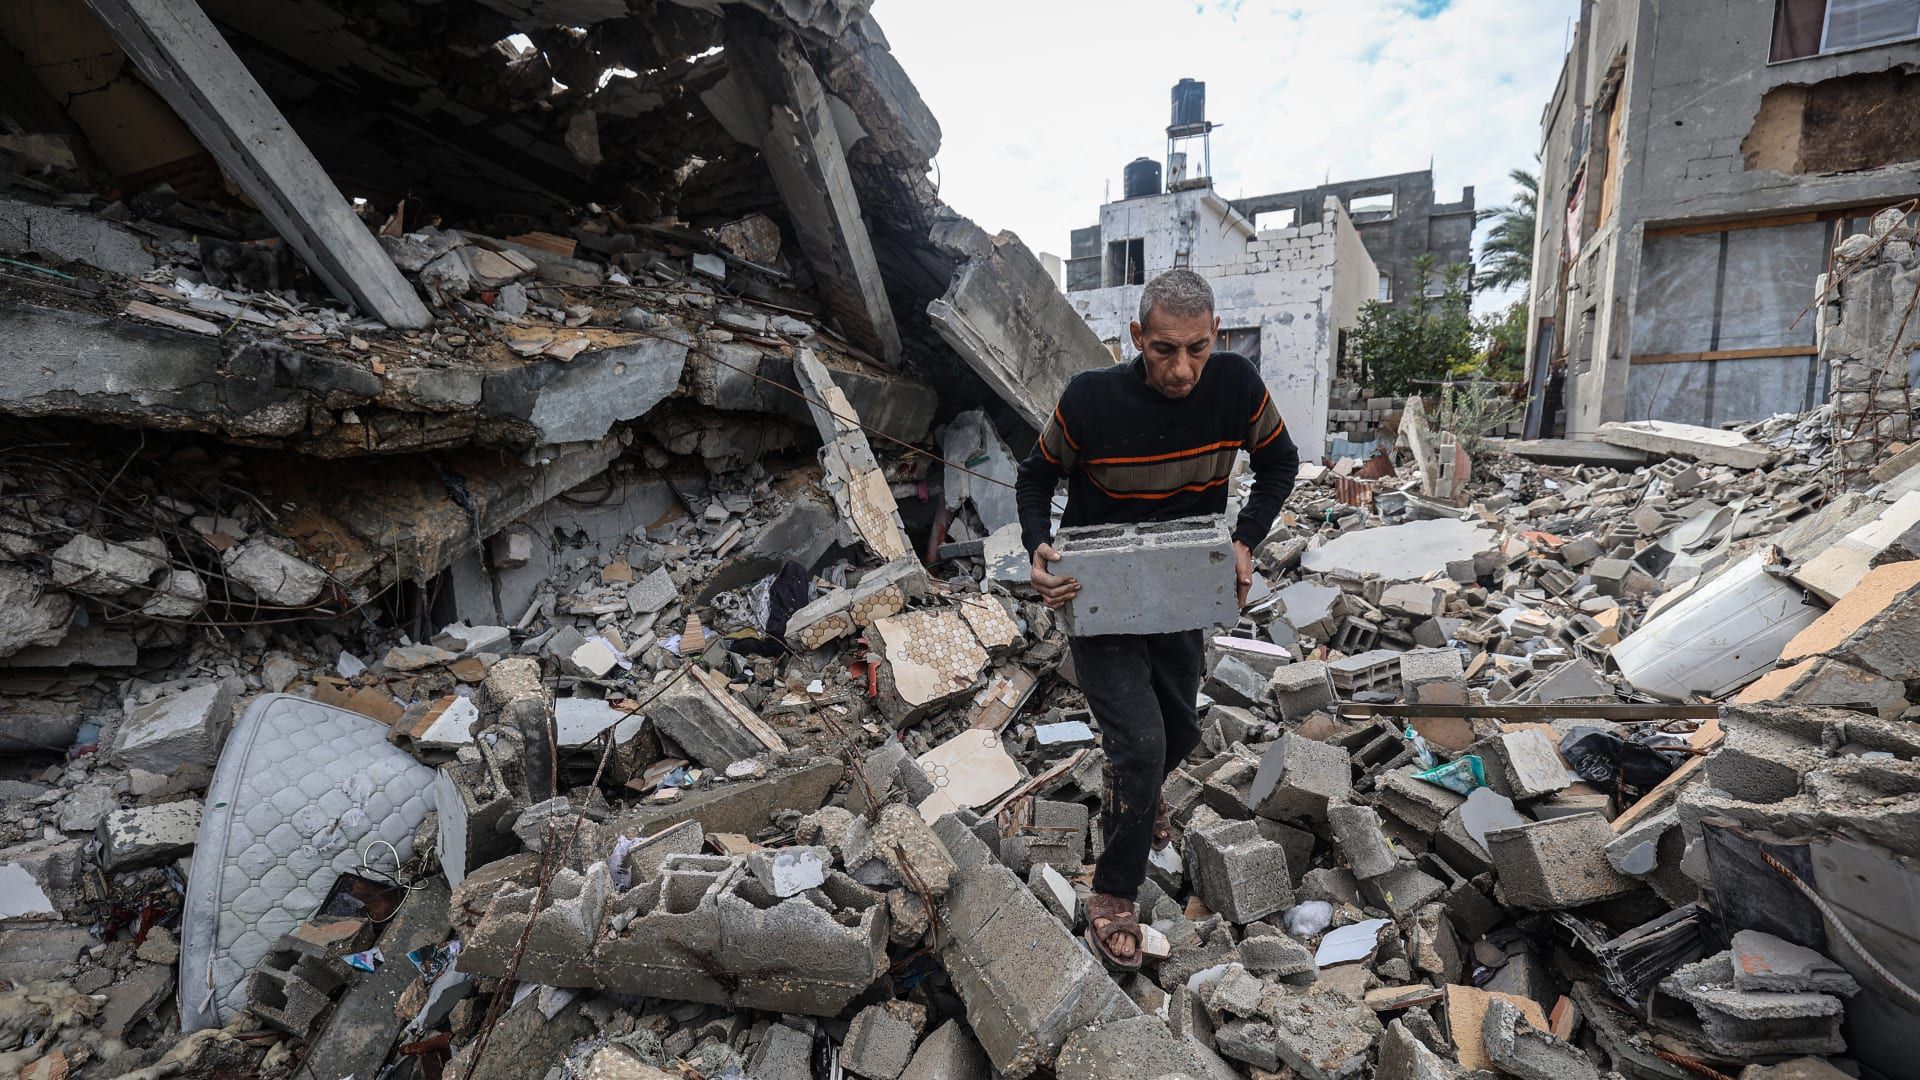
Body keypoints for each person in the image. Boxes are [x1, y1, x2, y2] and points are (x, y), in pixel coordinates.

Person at [1014, 268, 1301, 970]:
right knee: (1141, 744)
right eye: (1164, 349)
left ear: (1216, 336)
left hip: (1181, 589)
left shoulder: (1236, 386)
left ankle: (1137, 795)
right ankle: (1115, 890)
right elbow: (1035, 475)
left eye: (1198, 349)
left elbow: (1280, 461)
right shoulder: (1091, 399)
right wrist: (1038, 548)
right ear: (1137, 336)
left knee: (1179, 733)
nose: (1182, 369)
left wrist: (1244, 542)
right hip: (1099, 593)